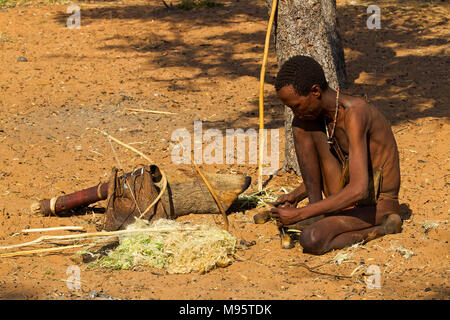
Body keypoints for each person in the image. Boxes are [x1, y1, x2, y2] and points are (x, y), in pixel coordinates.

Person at [269, 55, 403, 255]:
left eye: (296, 106)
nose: (295, 113)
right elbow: (341, 171)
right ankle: (317, 210)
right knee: (301, 126)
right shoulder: (322, 118)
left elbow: (358, 189)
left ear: (315, 91)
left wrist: (300, 214)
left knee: (311, 238)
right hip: (348, 199)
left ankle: (384, 226)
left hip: (377, 205)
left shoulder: (355, 114)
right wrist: (295, 196)